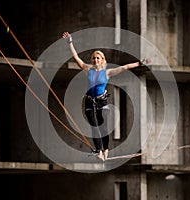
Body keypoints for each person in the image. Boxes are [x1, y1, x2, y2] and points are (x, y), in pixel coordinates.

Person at [62, 32, 149, 161]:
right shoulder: (88, 69)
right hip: (89, 102)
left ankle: (106, 149)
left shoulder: (107, 72)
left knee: (103, 128)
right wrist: (70, 42)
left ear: (102, 60)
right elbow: (76, 57)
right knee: (94, 126)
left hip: (101, 102)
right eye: (94, 58)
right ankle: (99, 151)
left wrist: (139, 63)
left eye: (98, 58)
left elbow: (124, 67)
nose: (96, 60)